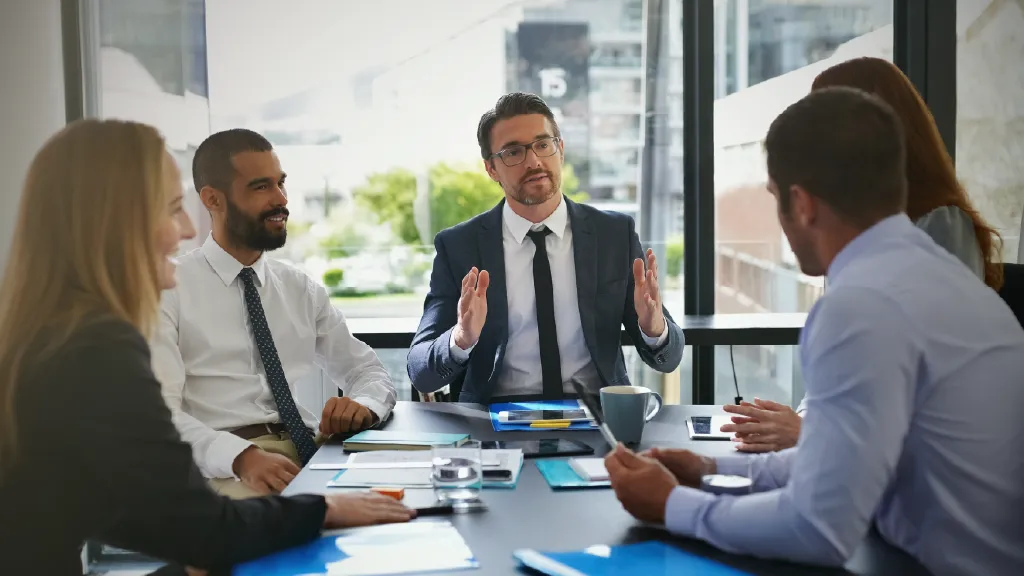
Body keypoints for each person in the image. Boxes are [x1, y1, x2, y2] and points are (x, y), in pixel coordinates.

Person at [603, 87, 1024, 575]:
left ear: (801, 204)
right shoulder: (946, 277)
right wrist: (711, 470)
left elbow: (817, 529)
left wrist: (671, 505)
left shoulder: (862, 305)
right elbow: (834, 458)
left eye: (776, 198)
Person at [0, 120, 414, 576]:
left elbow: (138, 519)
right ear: (114, 222)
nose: (182, 230)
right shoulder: (99, 349)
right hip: (225, 476)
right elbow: (198, 529)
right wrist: (320, 510)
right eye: (173, 208)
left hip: (299, 457)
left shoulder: (50, 341)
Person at [721, 56, 1006, 453]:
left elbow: (925, 403)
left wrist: (807, 433)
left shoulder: (940, 227)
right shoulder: (849, 235)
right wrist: (800, 422)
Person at [150, 129, 397, 499]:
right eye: (260, 187)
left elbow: (368, 371)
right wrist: (241, 458)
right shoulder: (169, 290)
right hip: (227, 470)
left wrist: (362, 405)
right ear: (213, 199)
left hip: (312, 453)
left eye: (281, 183)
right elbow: (160, 416)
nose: (281, 199)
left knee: (408, 506)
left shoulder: (300, 288)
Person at [407, 93, 684, 403]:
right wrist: (460, 338)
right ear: (492, 169)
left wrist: (654, 328)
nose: (534, 161)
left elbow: (669, 359)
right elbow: (421, 371)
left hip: (599, 417)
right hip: (494, 423)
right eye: (513, 152)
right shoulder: (459, 246)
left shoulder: (613, 234)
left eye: (543, 144)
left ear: (560, 149)